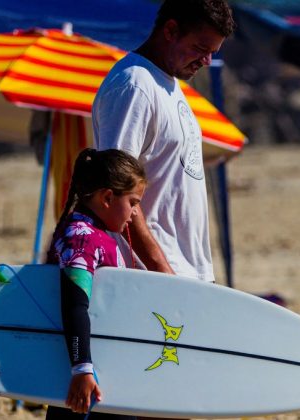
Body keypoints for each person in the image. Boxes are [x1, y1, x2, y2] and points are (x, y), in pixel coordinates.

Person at [92, 0, 235, 283]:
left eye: (212, 53)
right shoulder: (134, 86)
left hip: (183, 273)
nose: (206, 61)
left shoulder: (167, 83)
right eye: (200, 49)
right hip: (152, 278)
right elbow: (116, 192)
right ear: (170, 30)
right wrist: (162, 269)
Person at [45, 148, 146, 420]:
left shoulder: (99, 234)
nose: (135, 214)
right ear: (108, 197)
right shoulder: (82, 237)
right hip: (88, 375)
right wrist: (81, 369)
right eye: (133, 202)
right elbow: (74, 305)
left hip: (102, 368)